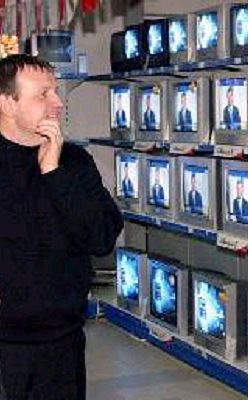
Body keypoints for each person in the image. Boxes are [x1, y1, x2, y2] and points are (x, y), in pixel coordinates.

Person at [0, 54, 123, 399]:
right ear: (7, 103)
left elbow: (102, 238)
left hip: (63, 342)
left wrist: (54, 173)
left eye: (55, 91)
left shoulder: (75, 162)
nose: (57, 102)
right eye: (43, 94)